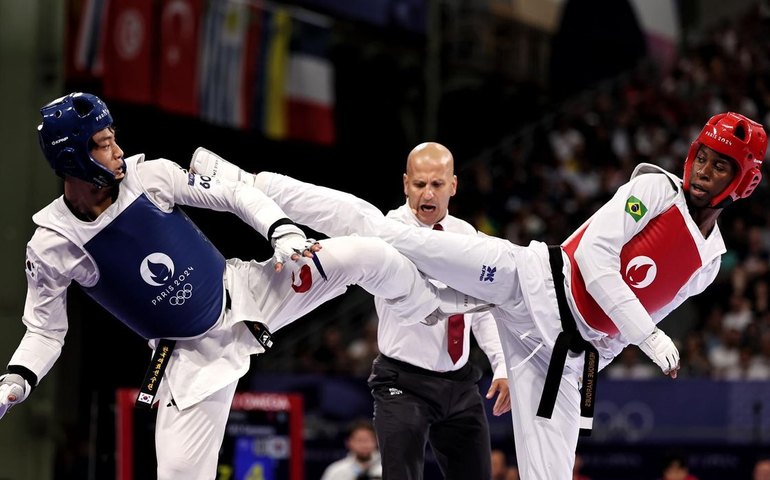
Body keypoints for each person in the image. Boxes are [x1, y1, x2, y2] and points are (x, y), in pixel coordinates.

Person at [191, 111, 768, 479]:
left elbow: (626, 322)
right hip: (530, 282)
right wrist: (650, 336)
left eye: (721, 167)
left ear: (742, 182)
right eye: (702, 157)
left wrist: (591, 355)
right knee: (381, 233)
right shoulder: (654, 189)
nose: (704, 171)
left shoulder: (709, 263)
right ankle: (245, 184)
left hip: (561, 359)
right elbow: (594, 259)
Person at [0, 93, 488, 480]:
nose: (118, 150)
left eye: (114, 139)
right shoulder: (52, 245)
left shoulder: (151, 177)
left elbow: (235, 195)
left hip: (253, 290)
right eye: (104, 144)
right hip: (191, 357)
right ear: (73, 156)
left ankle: (434, 306)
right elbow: (45, 331)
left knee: (369, 252)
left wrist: (281, 230)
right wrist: (16, 380)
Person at [354, 142, 510, 479]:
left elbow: (482, 310)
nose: (428, 193)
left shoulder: (466, 235)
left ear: (452, 186)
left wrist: (502, 365)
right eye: (419, 184)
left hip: (460, 383)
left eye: (437, 184)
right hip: (403, 383)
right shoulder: (387, 233)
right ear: (405, 184)